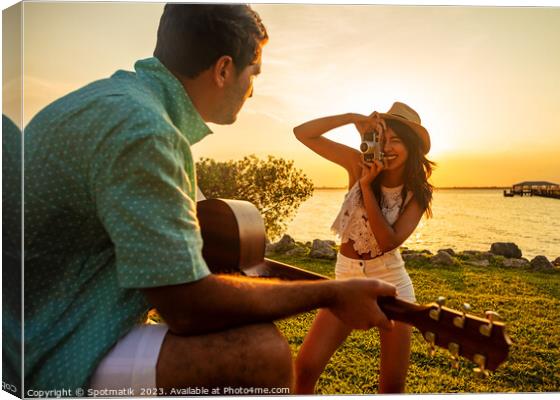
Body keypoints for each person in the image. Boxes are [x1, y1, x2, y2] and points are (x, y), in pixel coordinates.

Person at [8, 4, 398, 395]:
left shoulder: (117, 101)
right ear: (224, 69)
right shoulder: (145, 132)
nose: (252, 89)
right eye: (253, 74)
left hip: (38, 310)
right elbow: (187, 307)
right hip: (44, 344)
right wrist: (331, 293)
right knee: (260, 356)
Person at [293, 102, 435, 393]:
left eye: (396, 140)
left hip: (391, 282)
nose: (388, 146)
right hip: (346, 277)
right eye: (383, 138)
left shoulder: (418, 193)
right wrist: (350, 118)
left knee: (391, 386)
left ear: (411, 148)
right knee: (305, 367)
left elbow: (387, 241)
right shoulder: (358, 163)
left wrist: (367, 187)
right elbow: (302, 133)